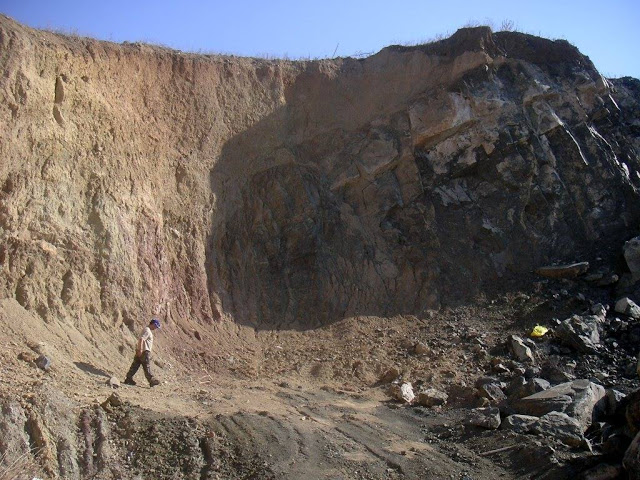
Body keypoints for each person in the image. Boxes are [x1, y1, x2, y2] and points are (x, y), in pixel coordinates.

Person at [124, 319, 161, 387]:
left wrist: (139, 349)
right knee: (146, 366)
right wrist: (140, 349)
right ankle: (151, 380)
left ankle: (128, 378)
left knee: (135, 365)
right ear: (153, 324)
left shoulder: (146, 329)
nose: (155, 328)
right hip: (144, 351)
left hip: (141, 350)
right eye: (156, 326)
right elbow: (142, 339)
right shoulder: (147, 330)